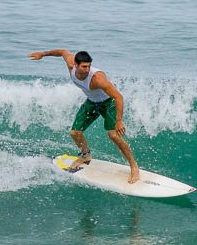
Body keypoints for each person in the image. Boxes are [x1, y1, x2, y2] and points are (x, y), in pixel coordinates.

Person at [28, 49, 140, 183]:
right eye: (84, 66)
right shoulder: (70, 64)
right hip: (92, 102)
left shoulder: (98, 79)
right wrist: (43, 54)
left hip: (108, 103)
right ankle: (85, 155)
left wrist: (119, 121)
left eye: (89, 66)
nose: (87, 69)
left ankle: (134, 166)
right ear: (75, 64)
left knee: (113, 135)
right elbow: (63, 52)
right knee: (75, 132)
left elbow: (118, 97)